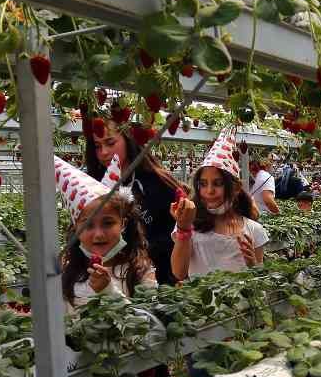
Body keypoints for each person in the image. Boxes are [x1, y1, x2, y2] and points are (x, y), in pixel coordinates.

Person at [86, 125, 185, 285]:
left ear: (128, 140)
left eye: (110, 143)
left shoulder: (157, 183)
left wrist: (138, 251)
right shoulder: (92, 186)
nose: (103, 152)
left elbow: (176, 234)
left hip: (160, 283)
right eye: (97, 146)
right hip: (104, 279)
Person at [57, 154, 157, 307]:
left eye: (108, 223)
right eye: (88, 225)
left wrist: (108, 291)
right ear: (76, 229)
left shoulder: (139, 272)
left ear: (122, 224)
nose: (98, 234)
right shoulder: (68, 274)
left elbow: (149, 326)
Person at [172, 128, 268, 281]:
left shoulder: (253, 230)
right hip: (202, 304)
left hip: (240, 304)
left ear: (236, 188)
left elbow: (261, 281)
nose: (209, 191)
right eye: (203, 184)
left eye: (218, 183)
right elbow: (179, 272)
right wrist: (183, 228)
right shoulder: (191, 225)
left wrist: (253, 265)